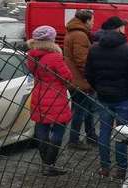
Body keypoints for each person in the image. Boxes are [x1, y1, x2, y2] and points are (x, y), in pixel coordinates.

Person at [85, 16, 128, 179]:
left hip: (103, 97)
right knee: (122, 134)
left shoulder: (94, 49)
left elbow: (88, 73)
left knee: (104, 131)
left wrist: (99, 88)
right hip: (125, 98)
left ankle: (104, 167)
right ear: (118, 29)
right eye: (122, 27)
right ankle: (122, 169)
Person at [27, 26, 73, 176]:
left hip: (39, 95)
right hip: (55, 97)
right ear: (50, 39)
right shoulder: (55, 57)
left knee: (42, 128)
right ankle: (50, 164)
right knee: (59, 129)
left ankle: (44, 163)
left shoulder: (32, 55)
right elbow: (67, 77)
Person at [63, 9, 96, 150]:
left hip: (76, 79)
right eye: (92, 20)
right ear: (87, 21)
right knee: (81, 111)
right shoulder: (80, 35)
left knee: (86, 109)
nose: (94, 23)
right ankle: (74, 140)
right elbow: (82, 60)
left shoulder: (73, 32)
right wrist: (91, 76)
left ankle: (90, 135)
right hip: (80, 80)